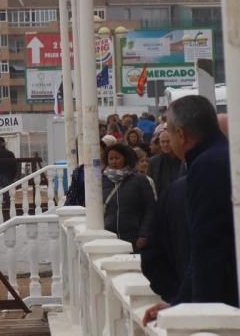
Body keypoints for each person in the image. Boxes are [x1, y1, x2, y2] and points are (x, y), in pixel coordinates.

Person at [144, 96, 238, 324]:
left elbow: (208, 244)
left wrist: (192, 310)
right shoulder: (223, 157)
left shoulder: (206, 166)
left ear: (181, 135)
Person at [141, 175, 190, 304]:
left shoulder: (175, 191)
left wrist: (177, 298)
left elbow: (153, 258)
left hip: (189, 298)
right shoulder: (177, 191)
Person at [102, 143, 155, 252]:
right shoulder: (101, 181)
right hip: (108, 238)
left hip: (134, 239)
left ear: (125, 159)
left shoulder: (140, 180)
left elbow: (151, 208)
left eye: (117, 158)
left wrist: (143, 235)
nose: (114, 161)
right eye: (111, 158)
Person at [147, 131, 183, 198]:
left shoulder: (183, 159)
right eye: (163, 142)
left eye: (168, 141)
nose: (165, 145)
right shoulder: (153, 162)